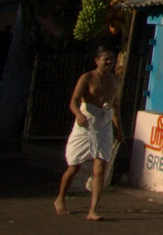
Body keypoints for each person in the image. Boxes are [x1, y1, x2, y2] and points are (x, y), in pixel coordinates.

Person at [54, 45, 122, 219]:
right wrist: (78, 114)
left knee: (100, 167)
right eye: (105, 59)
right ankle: (60, 197)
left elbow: (115, 107)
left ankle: (93, 210)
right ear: (97, 60)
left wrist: (119, 129)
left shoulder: (115, 81)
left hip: (104, 125)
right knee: (74, 166)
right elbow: (74, 101)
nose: (109, 62)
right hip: (85, 123)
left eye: (111, 59)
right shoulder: (87, 78)